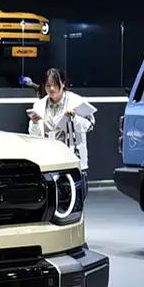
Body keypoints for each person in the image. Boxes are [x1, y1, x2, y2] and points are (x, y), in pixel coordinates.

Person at [28, 68, 95, 196]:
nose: (52, 89)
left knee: (75, 197)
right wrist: (35, 123)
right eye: (48, 85)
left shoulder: (76, 101)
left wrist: (74, 118)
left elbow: (89, 125)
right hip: (49, 159)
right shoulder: (39, 105)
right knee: (52, 198)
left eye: (55, 85)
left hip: (71, 156)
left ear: (63, 84)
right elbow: (34, 135)